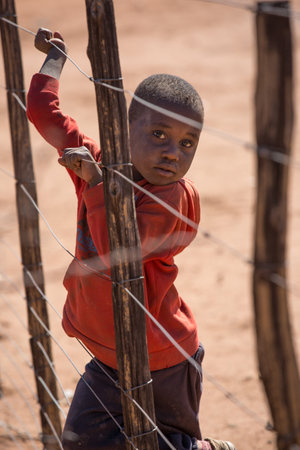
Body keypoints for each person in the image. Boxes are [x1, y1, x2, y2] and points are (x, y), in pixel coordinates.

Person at [27, 28, 236, 450]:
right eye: (159, 134)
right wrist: (55, 59)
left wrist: (97, 183)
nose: (172, 152)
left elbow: (118, 252)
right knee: (82, 443)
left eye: (187, 142)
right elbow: (44, 116)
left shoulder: (175, 200)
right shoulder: (100, 164)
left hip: (165, 359)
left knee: (168, 445)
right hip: (109, 357)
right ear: (123, 128)